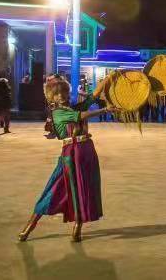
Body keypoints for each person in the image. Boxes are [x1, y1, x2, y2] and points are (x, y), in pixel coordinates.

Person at [18, 75, 114, 242]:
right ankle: (29, 227)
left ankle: (77, 228)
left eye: (62, 92)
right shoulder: (57, 113)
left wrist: (107, 80)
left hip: (86, 151)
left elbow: (93, 97)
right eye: (56, 94)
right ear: (51, 97)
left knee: (83, 190)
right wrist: (105, 110)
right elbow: (81, 116)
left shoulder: (72, 108)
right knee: (52, 190)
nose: (60, 95)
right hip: (70, 154)